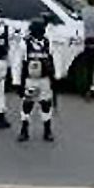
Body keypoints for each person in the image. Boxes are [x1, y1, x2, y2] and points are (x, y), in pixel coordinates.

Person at [14, 14, 61, 142]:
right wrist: (17, 82)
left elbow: (56, 58)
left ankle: (47, 130)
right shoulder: (25, 44)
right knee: (27, 104)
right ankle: (24, 129)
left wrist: (57, 76)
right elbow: (17, 63)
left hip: (44, 79)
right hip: (30, 80)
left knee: (45, 104)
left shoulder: (48, 42)